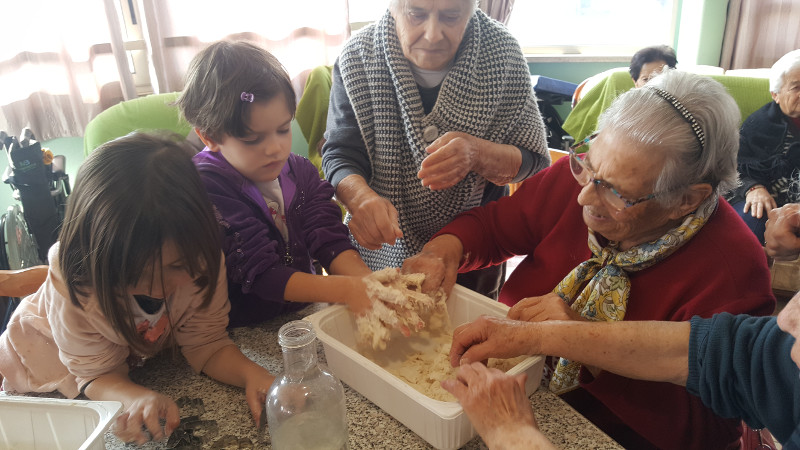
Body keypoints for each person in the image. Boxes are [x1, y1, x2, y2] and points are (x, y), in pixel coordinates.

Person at [404, 70, 777, 449]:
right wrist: (443, 251)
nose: (584, 198)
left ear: (686, 200)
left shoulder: (733, 271)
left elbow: (707, 432)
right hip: (511, 379)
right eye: (589, 166)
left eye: (618, 193)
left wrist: (580, 341)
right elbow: (495, 227)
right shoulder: (584, 181)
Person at [0, 133, 275, 445]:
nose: (160, 288)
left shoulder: (203, 256)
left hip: (126, 355)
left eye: (177, 266)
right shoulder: (77, 285)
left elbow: (207, 343)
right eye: (135, 274)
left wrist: (252, 374)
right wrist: (135, 398)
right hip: (41, 362)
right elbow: (94, 376)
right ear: (92, 254)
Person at [320, 0, 549, 300]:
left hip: (471, 255)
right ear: (393, 8)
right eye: (416, 14)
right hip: (380, 247)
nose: (432, 35)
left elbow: (532, 160)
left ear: (472, 9)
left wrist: (477, 154)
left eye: (451, 16)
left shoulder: (502, 54)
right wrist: (360, 198)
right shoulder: (358, 58)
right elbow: (339, 153)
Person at [178, 41, 374, 327]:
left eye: (283, 130)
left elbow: (327, 235)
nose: (275, 149)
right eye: (253, 139)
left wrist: (367, 281)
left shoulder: (300, 172)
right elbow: (260, 272)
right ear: (209, 136)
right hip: (241, 329)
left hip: (299, 313)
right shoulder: (207, 186)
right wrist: (346, 289)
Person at [442, 294, 800, 449]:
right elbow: (717, 351)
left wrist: (512, 435)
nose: (786, 317)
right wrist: (536, 335)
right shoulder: (785, 345)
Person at [727, 49, 800, 244]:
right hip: (764, 198)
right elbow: (732, 166)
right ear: (775, 94)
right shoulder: (759, 125)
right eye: (797, 87)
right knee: (754, 218)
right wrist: (754, 188)